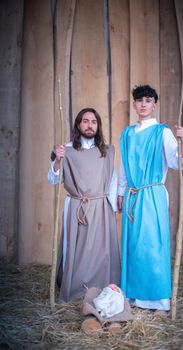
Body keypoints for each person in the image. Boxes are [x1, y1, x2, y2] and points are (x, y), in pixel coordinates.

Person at [117, 85, 183, 316]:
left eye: (148, 100)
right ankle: (136, 297)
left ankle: (159, 301)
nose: (143, 104)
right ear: (135, 104)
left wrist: (182, 142)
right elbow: (124, 168)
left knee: (152, 245)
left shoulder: (162, 132)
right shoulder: (127, 133)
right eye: (139, 100)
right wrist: (120, 193)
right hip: (132, 194)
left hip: (152, 194)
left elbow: (178, 163)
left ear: (154, 104)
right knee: (133, 246)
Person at [48, 107, 121, 304]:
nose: (90, 125)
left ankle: (101, 287)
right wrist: (57, 159)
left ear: (98, 126)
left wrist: (113, 208)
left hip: (100, 206)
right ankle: (76, 288)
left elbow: (112, 180)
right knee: (77, 250)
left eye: (94, 122)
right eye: (86, 121)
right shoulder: (67, 150)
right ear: (78, 125)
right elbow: (54, 179)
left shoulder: (106, 151)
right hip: (77, 207)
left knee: (101, 251)